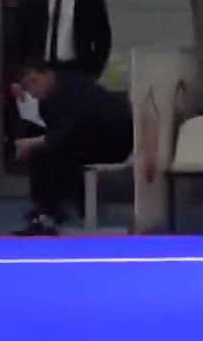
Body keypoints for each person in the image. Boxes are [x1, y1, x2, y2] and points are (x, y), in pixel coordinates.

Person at [11, 61, 134, 236]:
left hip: (114, 140)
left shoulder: (74, 86)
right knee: (44, 148)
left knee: (53, 147)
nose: (33, 91)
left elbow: (76, 128)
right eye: (28, 87)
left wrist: (37, 142)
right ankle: (47, 209)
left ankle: (52, 211)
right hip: (88, 139)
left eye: (34, 82)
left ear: (46, 74)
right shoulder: (48, 99)